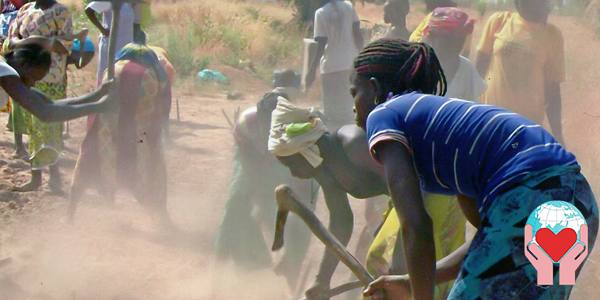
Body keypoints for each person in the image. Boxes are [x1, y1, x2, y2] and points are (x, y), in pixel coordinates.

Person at [349, 39, 598, 299]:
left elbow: (416, 225)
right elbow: (489, 243)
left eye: (354, 93)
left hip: (531, 195)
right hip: (578, 204)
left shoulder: (384, 114)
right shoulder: (452, 141)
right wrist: (412, 281)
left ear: (375, 88)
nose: (353, 107)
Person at [269, 99, 465, 300]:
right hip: (407, 206)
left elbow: (411, 183)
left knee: (405, 268)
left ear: (305, 150)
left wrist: (403, 248)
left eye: (291, 164)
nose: (293, 174)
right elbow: (341, 222)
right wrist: (322, 279)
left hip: (433, 192)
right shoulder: (323, 170)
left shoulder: (354, 144)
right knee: (384, 267)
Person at [214, 70, 319, 290]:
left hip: (293, 168)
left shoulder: (305, 132)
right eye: (267, 124)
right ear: (260, 118)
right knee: (236, 204)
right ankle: (229, 267)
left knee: (300, 222)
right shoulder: (246, 124)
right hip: (254, 159)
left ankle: (292, 278)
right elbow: (247, 169)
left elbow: (305, 187)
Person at [68, 42, 172, 226]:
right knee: (149, 162)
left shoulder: (112, 69)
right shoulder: (160, 70)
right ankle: (160, 219)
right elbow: (162, 108)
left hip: (107, 123)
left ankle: (70, 214)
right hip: (140, 126)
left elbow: (99, 101)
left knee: (90, 156)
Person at [475, 0, 566, 144]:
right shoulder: (499, 22)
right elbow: (478, 71)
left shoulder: (552, 35)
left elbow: (553, 91)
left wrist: (558, 135)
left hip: (526, 127)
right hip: (490, 120)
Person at [7, 0, 75, 193]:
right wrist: (41, 42)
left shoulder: (61, 12)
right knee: (33, 130)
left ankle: (54, 179)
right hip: (27, 77)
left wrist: (27, 43)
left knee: (51, 128)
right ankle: (35, 178)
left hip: (52, 77)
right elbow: (10, 42)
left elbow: (63, 46)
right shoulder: (25, 10)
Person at [0, 40, 112, 122]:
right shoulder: (7, 72)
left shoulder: (7, 73)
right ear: (24, 64)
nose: (33, 83)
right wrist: (100, 107)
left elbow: (50, 104)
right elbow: (45, 113)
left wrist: (97, 95)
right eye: (33, 77)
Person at [305, 0, 363, 132]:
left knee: (331, 113)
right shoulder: (349, 7)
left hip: (331, 68)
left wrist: (312, 70)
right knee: (349, 109)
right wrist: (362, 58)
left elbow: (320, 46)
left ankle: (335, 140)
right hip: (349, 65)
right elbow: (358, 36)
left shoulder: (320, 13)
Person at [422, 7, 485, 101]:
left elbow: (472, 107)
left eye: (460, 39)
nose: (456, 45)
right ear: (430, 37)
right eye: (448, 39)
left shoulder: (466, 69)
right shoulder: (415, 66)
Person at [85, 0, 136, 86]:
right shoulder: (110, 1)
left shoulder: (128, 2)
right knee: (107, 75)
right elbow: (89, 10)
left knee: (123, 75)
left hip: (126, 45)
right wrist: (102, 29)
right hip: (111, 46)